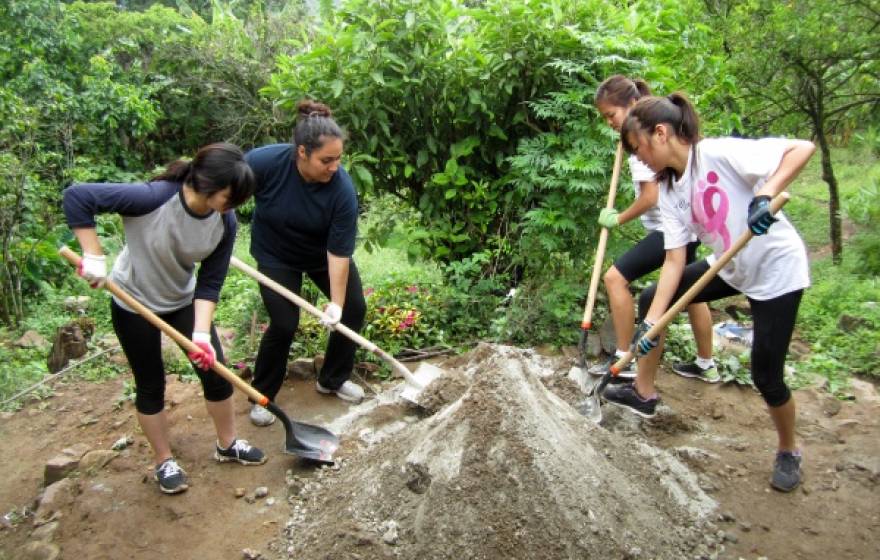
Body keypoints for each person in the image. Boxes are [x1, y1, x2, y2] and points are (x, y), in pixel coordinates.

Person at [603, 93, 815, 492]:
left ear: (661, 133)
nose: (639, 158)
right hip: (730, 267)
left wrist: (765, 195)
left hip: (776, 272)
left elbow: (801, 148)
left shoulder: (716, 154)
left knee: (766, 376)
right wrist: (650, 325)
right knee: (651, 301)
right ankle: (643, 393)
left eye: (638, 148)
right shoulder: (669, 190)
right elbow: (674, 261)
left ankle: (789, 449)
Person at [63, 143, 266, 495]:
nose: (233, 207)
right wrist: (93, 255)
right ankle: (164, 460)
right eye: (229, 197)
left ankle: (228, 443)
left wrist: (201, 335)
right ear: (207, 184)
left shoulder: (224, 221)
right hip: (133, 302)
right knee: (151, 384)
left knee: (216, 373)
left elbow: (211, 281)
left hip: (182, 300)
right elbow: (77, 196)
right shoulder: (152, 198)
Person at [246, 99, 367, 427]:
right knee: (285, 323)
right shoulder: (264, 162)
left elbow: (339, 253)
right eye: (326, 160)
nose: (334, 167)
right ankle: (262, 396)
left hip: (320, 255)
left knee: (353, 308)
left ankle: (332, 379)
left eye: (338, 158)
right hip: (275, 255)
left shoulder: (342, 190)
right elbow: (227, 189)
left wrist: (336, 304)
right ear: (302, 152)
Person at [592, 75, 716, 381]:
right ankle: (706, 363)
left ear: (633, 104)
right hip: (685, 229)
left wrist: (618, 218)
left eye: (612, 114)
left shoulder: (644, 142)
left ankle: (624, 358)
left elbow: (651, 196)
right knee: (691, 293)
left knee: (614, 278)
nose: (609, 122)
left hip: (670, 231)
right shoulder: (645, 136)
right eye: (605, 117)